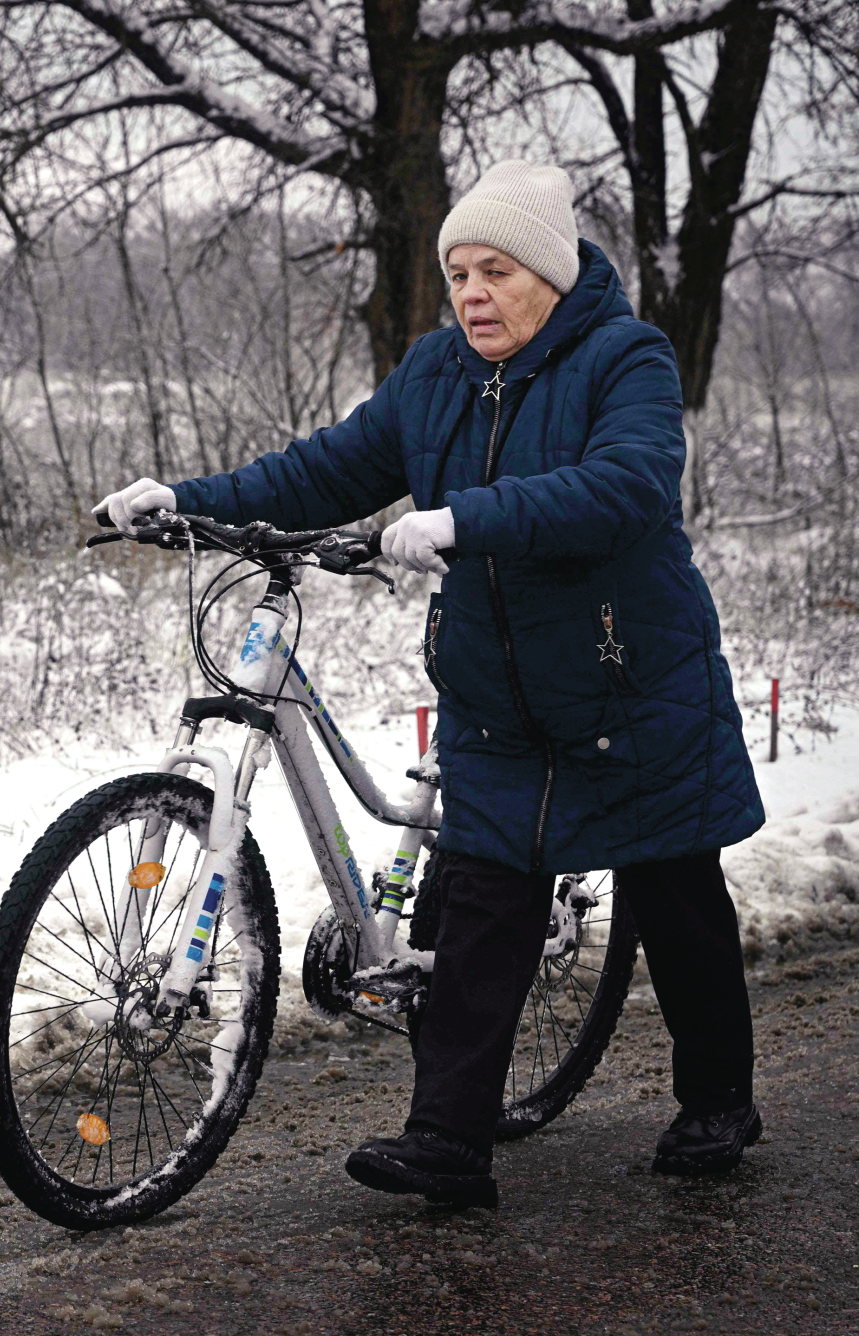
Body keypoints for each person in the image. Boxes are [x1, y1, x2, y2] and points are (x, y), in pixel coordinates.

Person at [95, 161, 764, 1209]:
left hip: (628, 685)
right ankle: (447, 1141)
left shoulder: (623, 359)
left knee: (676, 893)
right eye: (458, 272)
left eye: (496, 269)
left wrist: (465, 519)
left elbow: (627, 486)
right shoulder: (435, 375)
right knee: (487, 907)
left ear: (549, 274)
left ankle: (719, 1096)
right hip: (498, 696)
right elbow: (322, 470)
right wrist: (185, 498)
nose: (473, 293)